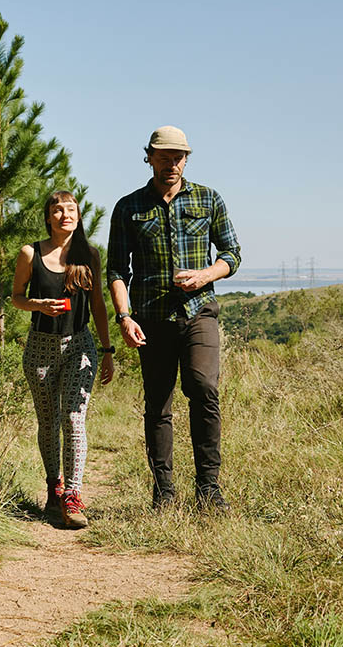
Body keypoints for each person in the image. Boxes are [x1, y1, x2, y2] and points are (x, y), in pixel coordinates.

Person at [107, 126, 240, 511]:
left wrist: (203, 276)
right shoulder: (129, 207)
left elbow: (232, 254)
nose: (172, 163)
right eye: (164, 156)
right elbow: (116, 270)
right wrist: (124, 317)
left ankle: (209, 489)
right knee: (158, 404)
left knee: (203, 388)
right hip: (150, 318)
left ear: (187, 158)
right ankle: (164, 491)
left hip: (199, 312)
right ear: (148, 156)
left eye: (178, 156)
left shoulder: (208, 199)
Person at [12, 190, 115, 528]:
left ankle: (72, 496)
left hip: (80, 345)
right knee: (48, 423)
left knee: (73, 418)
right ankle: (53, 488)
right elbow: (15, 297)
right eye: (57, 210)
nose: (64, 215)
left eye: (71, 209)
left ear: (79, 216)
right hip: (40, 347)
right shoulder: (30, 253)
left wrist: (107, 350)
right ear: (48, 217)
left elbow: (99, 306)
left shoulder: (90, 256)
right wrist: (38, 305)